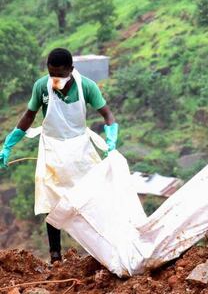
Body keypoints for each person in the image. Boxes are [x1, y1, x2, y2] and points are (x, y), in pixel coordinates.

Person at [0, 48, 119, 263]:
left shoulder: (86, 87)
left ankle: (104, 249)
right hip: (52, 148)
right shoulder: (42, 87)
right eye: (51, 74)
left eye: (60, 75)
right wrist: (9, 143)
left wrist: (111, 136)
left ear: (71, 70)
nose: (55, 79)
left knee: (92, 196)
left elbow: (107, 114)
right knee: (50, 200)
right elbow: (29, 115)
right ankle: (55, 254)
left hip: (80, 149)